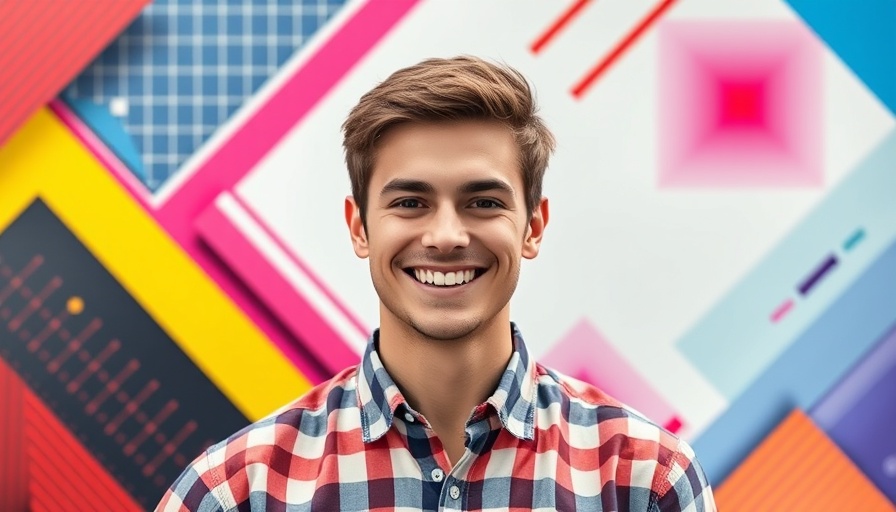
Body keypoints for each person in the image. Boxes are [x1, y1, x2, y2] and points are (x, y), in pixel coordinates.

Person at [156, 56, 717, 512]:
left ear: (533, 225)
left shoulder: (643, 480)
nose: (446, 235)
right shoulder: (236, 493)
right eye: (410, 202)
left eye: (483, 202)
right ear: (359, 227)